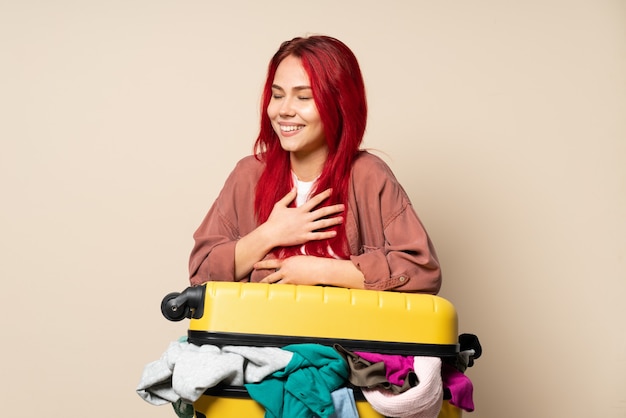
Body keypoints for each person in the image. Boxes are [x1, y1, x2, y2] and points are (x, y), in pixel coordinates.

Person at [189, 35, 441, 293]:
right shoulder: (248, 175)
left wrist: (319, 270)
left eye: (303, 97)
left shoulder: (368, 175)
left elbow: (422, 273)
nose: (284, 110)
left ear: (339, 103)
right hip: (262, 332)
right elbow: (201, 274)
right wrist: (269, 234)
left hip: (343, 332)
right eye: (277, 95)